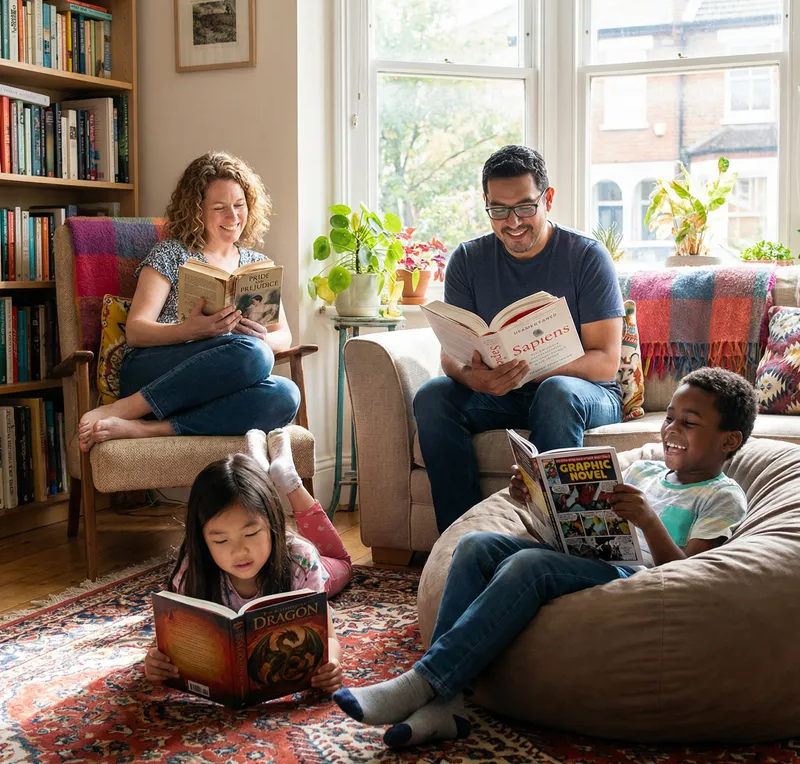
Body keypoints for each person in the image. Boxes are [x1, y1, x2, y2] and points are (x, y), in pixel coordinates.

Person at [333, 367, 758, 747]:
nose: (671, 429)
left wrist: (649, 521)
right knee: (474, 545)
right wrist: (535, 498)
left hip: (634, 574)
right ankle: (448, 705)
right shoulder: (645, 470)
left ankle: (425, 681)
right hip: (590, 556)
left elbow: (692, 573)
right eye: (669, 418)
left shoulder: (721, 496)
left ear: (729, 440)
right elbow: (575, 526)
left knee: (528, 566)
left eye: (689, 422)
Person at [414, 145, 625, 532]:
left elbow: (606, 361)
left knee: (557, 392)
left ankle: (549, 538)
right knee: (433, 397)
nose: (512, 222)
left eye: (525, 207)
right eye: (499, 210)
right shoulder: (467, 259)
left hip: (582, 394)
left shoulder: (586, 257)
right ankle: (460, 536)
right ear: (486, 204)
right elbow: (451, 354)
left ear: (548, 198)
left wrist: (531, 370)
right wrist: (472, 377)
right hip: (502, 393)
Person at [78, 151, 300, 452]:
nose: (233, 217)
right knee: (253, 355)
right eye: (220, 208)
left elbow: (283, 336)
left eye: (239, 205)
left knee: (285, 393)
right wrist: (192, 331)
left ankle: (151, 429)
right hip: (155, 370)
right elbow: (136, 331)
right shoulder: (170, 253)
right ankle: (126, 409)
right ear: (197, 211)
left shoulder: (258, 264)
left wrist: (259, 339)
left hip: (225, 373)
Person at [145, 428, 352, 693]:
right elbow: (168, 643)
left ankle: (288, 481)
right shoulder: (193, 567)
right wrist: (154, 660)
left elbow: (328, 637)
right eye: (220, 541)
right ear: (202, 541)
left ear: (273, 523)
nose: (239, 552)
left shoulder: (302, 561)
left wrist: (332, 662)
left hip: (313, 566)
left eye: (251, 534)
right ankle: (258, 468)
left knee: (342, 562)